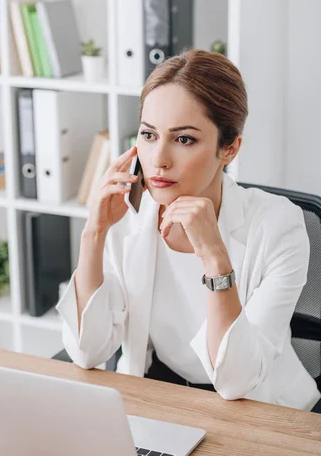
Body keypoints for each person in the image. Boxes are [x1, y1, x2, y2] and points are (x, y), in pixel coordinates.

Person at [56, 49, 321, 411]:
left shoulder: (280, 226)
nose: (159, 160)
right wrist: (94, 232)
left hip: (256, 406)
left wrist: (215, 257)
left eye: (184, 139)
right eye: (149, 135)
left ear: (229, 148)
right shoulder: (129, 213)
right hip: (164, 396)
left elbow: (237, 380)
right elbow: (87, 351)